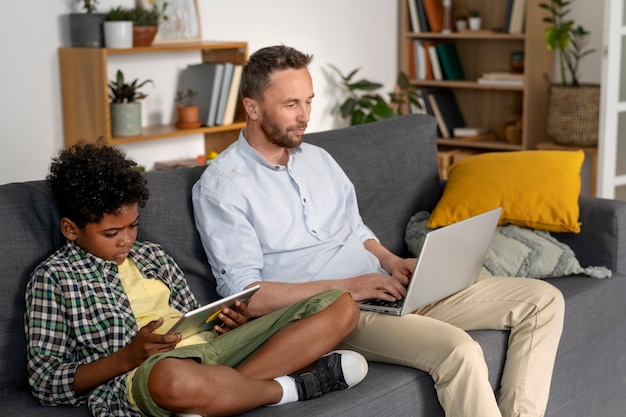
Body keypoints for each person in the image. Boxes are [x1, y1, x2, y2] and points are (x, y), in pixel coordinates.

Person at [192, 45, 566, 417]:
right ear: (252, 107)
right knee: (460, 350)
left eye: (308, 101)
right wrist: (353, 286)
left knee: (543, 301)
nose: (305, 115)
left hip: (384, 287)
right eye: (291, 104)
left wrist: (392, 261)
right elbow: (246, 296)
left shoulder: (319, 159)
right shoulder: (223, 185)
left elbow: (356, 229)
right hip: (335, 313)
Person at [25, 143, 368, 417]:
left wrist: (228, 323)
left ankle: (219, 395)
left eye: (133, 226)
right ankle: (291, 388)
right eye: (111, 233)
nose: (126, 240)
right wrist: (127, 358)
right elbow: (45, 382)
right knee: (173, 379)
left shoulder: (152, 256)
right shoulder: (54, 278)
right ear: (71, 229)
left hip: (211, 351)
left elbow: (195, 320)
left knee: (341, 305)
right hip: (147, 372)